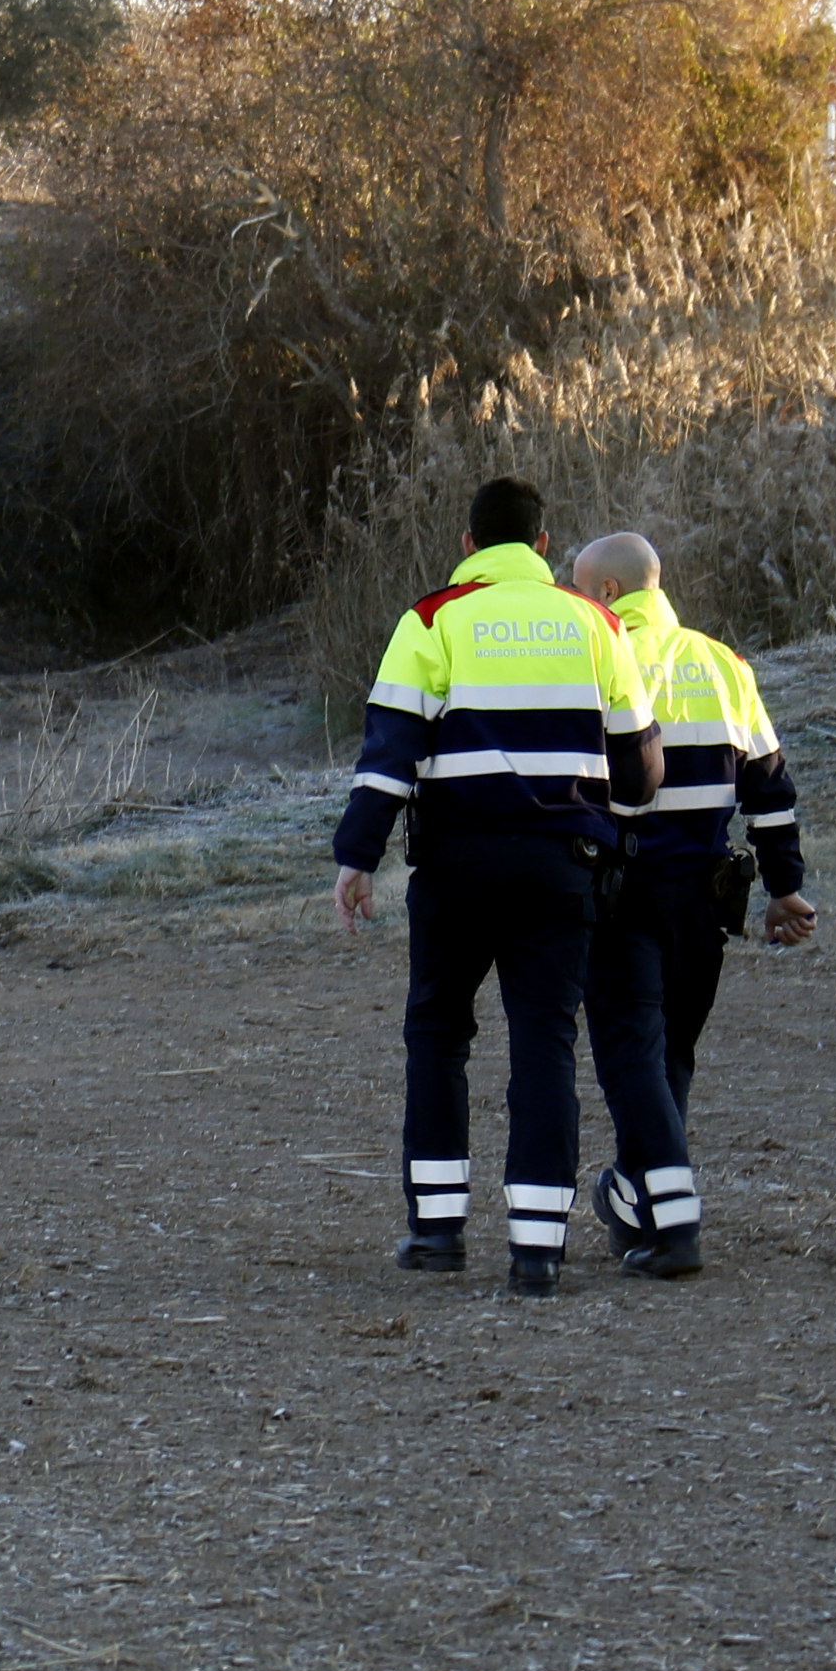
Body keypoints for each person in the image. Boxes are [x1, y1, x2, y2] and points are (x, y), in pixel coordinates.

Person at [329, 476, 684, 1296]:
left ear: (467, 546)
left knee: (439, 1035)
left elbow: (389, 755)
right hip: (562, 869)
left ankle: (437, 1232)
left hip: (455, 865)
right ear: (544, 546)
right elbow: (638, 762)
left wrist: (359, 855)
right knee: (545, 1042)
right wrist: (612, 810)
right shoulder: (594, 620)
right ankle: (537, 1251)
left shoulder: (430, 619)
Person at [564, 532, 818, 1276]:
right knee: (670, 1051)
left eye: (579, 591)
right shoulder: (724, 663)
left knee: (629, 1054)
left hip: (622, 893)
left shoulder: (597, 658)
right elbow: (770, 790)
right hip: (706, 899)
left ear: (606, 594)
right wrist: (785, 887)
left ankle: (672, 1221)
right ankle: (638, 1205)